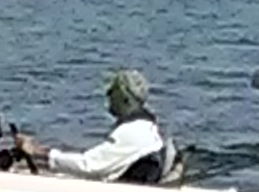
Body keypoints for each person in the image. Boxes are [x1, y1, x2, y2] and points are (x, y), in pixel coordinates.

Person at [10, 70, 172, 184]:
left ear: (125, 99)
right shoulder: (145, 127)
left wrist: (40, 153)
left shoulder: (133, 133)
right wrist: (42, 154)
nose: (108, 95)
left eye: (113, 91)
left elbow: (89, 165)